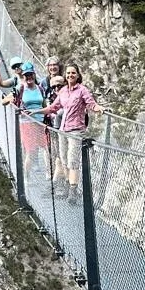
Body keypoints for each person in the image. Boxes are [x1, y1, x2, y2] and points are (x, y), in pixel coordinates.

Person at [41, 64, 103, 202]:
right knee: (64, 160)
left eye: (73, 73)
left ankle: (73, 192)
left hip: (76, 130)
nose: (70, 75)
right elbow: (53, 107)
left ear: (78, 75)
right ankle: (70, 187)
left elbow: (91, 103)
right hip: (63, 130)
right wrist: (36, 112)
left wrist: (98, 108)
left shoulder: (82, 90)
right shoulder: (63, 91)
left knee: (72, 161)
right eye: (68, 73)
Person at [16, 63, 49, 179]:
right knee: (30, 151)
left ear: (34, 75)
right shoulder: (20, 89)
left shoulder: (40, 88)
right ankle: (26, 177)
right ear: (23, 76)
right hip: (27, 123)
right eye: (26, 75)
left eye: (30, 74)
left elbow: (44, 104)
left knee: (45, 147)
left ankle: (48, 173)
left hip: (40, 122)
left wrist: (48, 114)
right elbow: (13, 103)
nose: (29, 77)